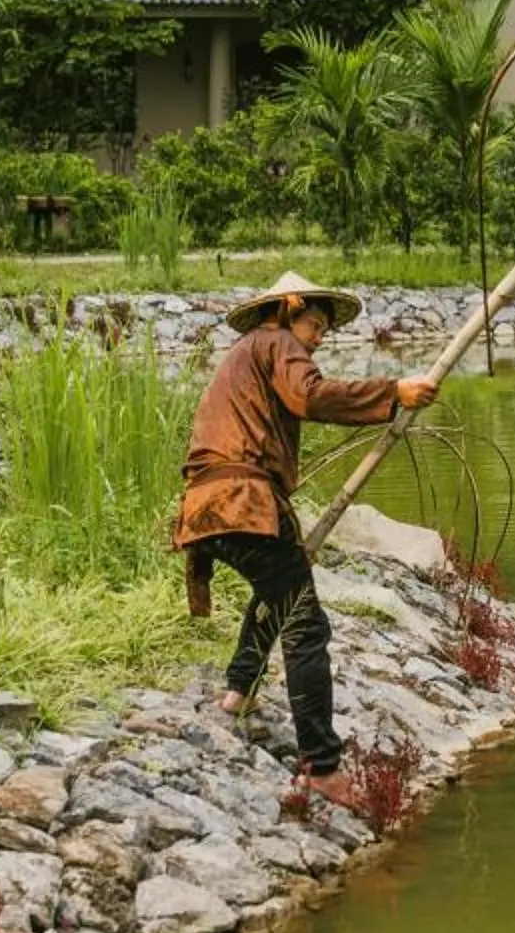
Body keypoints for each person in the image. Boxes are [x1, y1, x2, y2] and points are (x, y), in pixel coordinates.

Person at [173, 272, 437, 811]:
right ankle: (322, 768)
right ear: (287, 313)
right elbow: (311, 395)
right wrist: (393, 392)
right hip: (240, 501)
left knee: (278, 590)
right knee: (306, 624)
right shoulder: (276, 340)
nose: (318, 338)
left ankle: (238, 690)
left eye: (322, 330)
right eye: (315, 324)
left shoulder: (250, 351)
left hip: (209, 507)